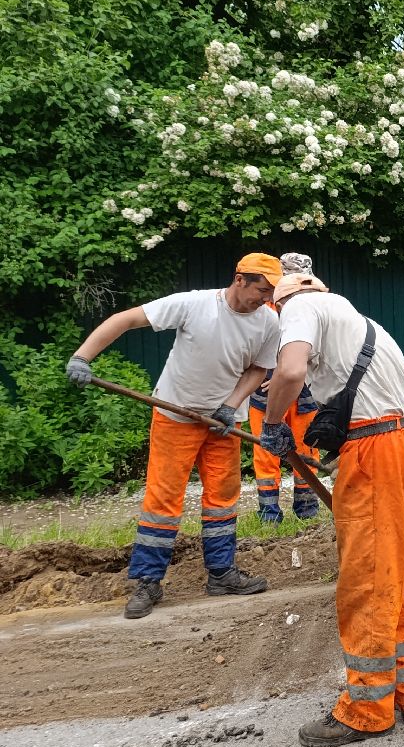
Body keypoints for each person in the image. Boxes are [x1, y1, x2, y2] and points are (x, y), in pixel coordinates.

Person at [261, 271, 404, 747]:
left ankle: (365, 710)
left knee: (366, 581)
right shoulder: (359, 320)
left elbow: (292, 370)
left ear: (285, 301)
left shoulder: (298, 307)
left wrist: (274, 422)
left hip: (378, 450)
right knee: (402, 573)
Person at [67, 254, 281, 618]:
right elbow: (125, 319)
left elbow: (260, 367)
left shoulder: (268, 322)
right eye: (260, 291)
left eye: (270, 293)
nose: (264, 299)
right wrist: (82, 357)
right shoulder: (193, 304)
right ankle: (147, 581)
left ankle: (221, 574)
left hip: (224, 424)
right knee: (163, 500)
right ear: (239, 279)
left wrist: (230, 406)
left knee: (223, 498)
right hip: (175, 416)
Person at [248, 252, 322, 522]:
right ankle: (269, 514)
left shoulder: (317, 307)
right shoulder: (262, 308)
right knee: (266, 453)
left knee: (306, 450)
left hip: (304, 396)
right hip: (264, 394)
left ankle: (307, 511)